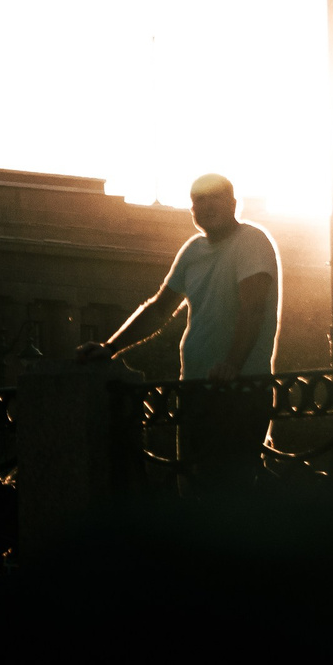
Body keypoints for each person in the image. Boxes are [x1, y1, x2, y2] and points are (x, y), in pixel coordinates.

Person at [78, 172, 281, 486]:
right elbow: (160, 308)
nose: (207, 205)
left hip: (239, 388)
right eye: (199, 199)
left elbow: (252, 308)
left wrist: (232, 365)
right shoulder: (193, 250)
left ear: (233, 204)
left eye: (215, 197)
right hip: (195, 388)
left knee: (231, 489)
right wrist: (110, 347)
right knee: (196, 485)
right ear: (192, 210)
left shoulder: (252, 241)